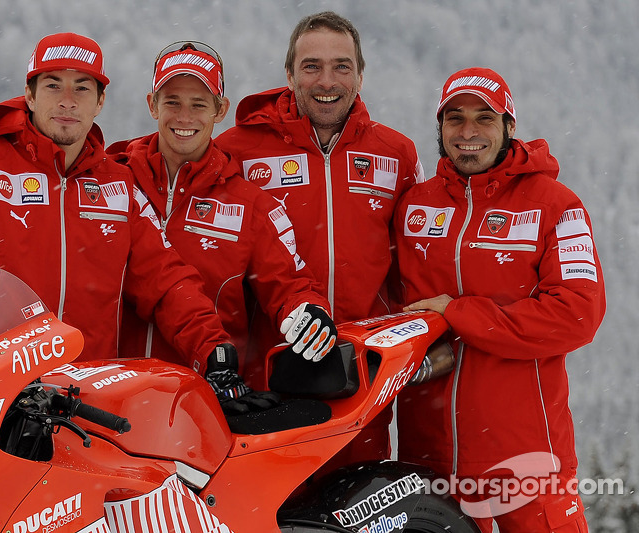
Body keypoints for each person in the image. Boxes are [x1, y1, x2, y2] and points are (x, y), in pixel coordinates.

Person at [0, 32, 245, 392]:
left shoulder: (121, 187)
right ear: (29, 95)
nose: (67, 102)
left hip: (85, 403)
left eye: (82, 88)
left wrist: (213, 351)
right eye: (53, 86)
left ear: (100, 102)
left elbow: (166, 282)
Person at [393, 67, 606, 532]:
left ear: (510, 126)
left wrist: (459, 313)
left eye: (484, 118)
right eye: (455, 118)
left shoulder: (556, 206)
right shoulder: (413, 207)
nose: (468, 132)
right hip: (429, 464)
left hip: (527, 466)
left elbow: (578, 315)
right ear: (440, 128)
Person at [216, 11, 423, 459]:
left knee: (358, 511)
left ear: (361, 76)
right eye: (311, 66)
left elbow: (416, 265)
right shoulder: (237, 151)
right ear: (289, 74)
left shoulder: (396, 154)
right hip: (269, 375)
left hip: (364, 373)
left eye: (341, 66)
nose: (326, 80)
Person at [107, 41, 337, 386]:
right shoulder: (114, 181)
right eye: (172, 102)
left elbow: (289, 283)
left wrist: (307, 311)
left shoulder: (251, 206)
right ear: (152, 105)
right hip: (107, 395)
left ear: (221, 109)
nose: (184, 117)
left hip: (204, 393)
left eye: (199, 104)